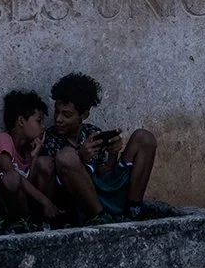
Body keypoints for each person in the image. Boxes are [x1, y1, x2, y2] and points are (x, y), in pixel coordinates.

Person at [43, 71, 157, 219]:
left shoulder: (92, 132)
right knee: (66, 156)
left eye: (67, 115)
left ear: (83, 115)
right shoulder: (50, 139)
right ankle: (100, 219)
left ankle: (133, 208)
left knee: (144, 138)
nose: (58, 119)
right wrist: (81, 158)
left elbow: (104, 172)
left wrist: (113, 155)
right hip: (81, 201)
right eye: (56, 112)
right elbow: (60, 180)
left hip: (103, 190)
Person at [0, 89, 59, 222]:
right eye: (39, 121)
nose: (43, 127)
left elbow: (27, 183)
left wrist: (35, 156)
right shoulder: (1, 139)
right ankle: (20, 225)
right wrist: (45, 201)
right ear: (21, 121)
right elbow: (12, 176)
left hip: (24, 205)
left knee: (46, 162)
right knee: (12, 178)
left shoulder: (27, 151)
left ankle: (38, 221)